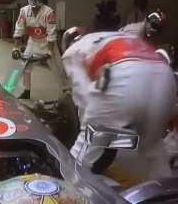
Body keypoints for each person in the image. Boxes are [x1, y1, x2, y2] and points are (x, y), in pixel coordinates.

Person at [62, 18, 177, 177]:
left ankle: (67, 191)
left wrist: (92, 133)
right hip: (164, 75)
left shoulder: (72, 52)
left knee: (85, 147)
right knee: (152, 147)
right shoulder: (114, 36)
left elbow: (84, 99)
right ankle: (165, 195)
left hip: (123, 74)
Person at [13, 0, 58, 99]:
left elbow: (51, 34)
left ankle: (67, 92)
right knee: (24, 68)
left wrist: (50, 51)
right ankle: (26, 92)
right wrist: (15, 48)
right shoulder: (23, 11)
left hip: (47, 43)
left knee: (59, 70)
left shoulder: (49, 12)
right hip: (32, 42)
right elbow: (18, 30)